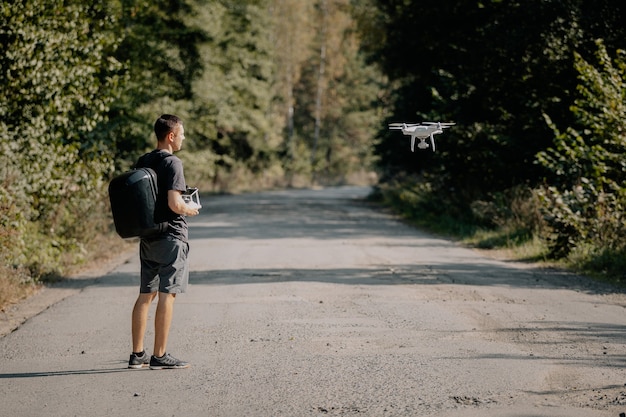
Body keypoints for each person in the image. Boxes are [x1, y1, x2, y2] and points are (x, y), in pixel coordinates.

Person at [127, 114, 199, 370]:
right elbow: (174, 203)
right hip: (171, 237)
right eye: (181, 133)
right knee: (168, 295)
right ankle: (160, 355)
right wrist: (190, 209)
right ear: (171, 136)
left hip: (148, 237)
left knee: (145, 295)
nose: (183, 137)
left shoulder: (144, 160)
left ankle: (137, 355)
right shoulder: (173, 163)